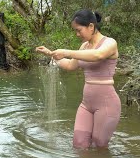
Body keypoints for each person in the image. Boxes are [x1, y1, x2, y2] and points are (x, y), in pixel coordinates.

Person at [35, 9, 121, 149]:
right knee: (79, 144)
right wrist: (52, 54)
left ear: (91, 26)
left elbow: (98, 55)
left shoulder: (110, 43)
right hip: (86, 105)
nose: (77, 34)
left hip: (107, 105)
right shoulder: (84, 46)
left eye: (79, 30)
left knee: (100, 146)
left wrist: (66, 51)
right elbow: (70, 65)